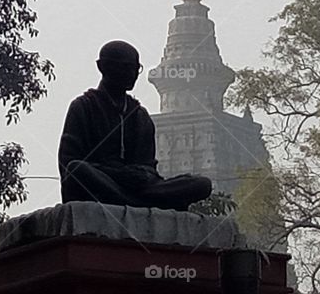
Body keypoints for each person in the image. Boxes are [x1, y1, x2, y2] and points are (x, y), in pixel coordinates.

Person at [58, 40, 212, 211]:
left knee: (201, 184)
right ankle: (138, 203)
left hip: (140, 188)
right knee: (77, 170)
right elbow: (68, 162)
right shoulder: (84, 106)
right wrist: (119, 174)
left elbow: (148, 167)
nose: (131, 74)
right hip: (102, 182)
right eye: (124, 67)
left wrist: (142, 175)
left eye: (135, 68)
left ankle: (133, 201)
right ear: (103, 67)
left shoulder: (140, 115)